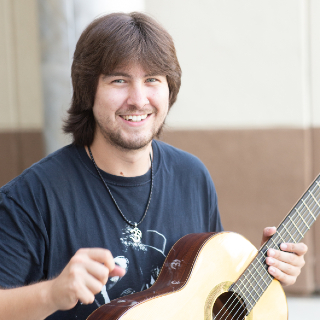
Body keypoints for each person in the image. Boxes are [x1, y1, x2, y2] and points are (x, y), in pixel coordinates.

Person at [0, 12, 307, 320]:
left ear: (169, 89)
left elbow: (207, 294)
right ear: (87, 91)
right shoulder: (30, 197)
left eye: (152, 80)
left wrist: (264, 272)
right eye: (119, 80)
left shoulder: (192, 176)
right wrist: (52, 293)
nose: (138, 99)